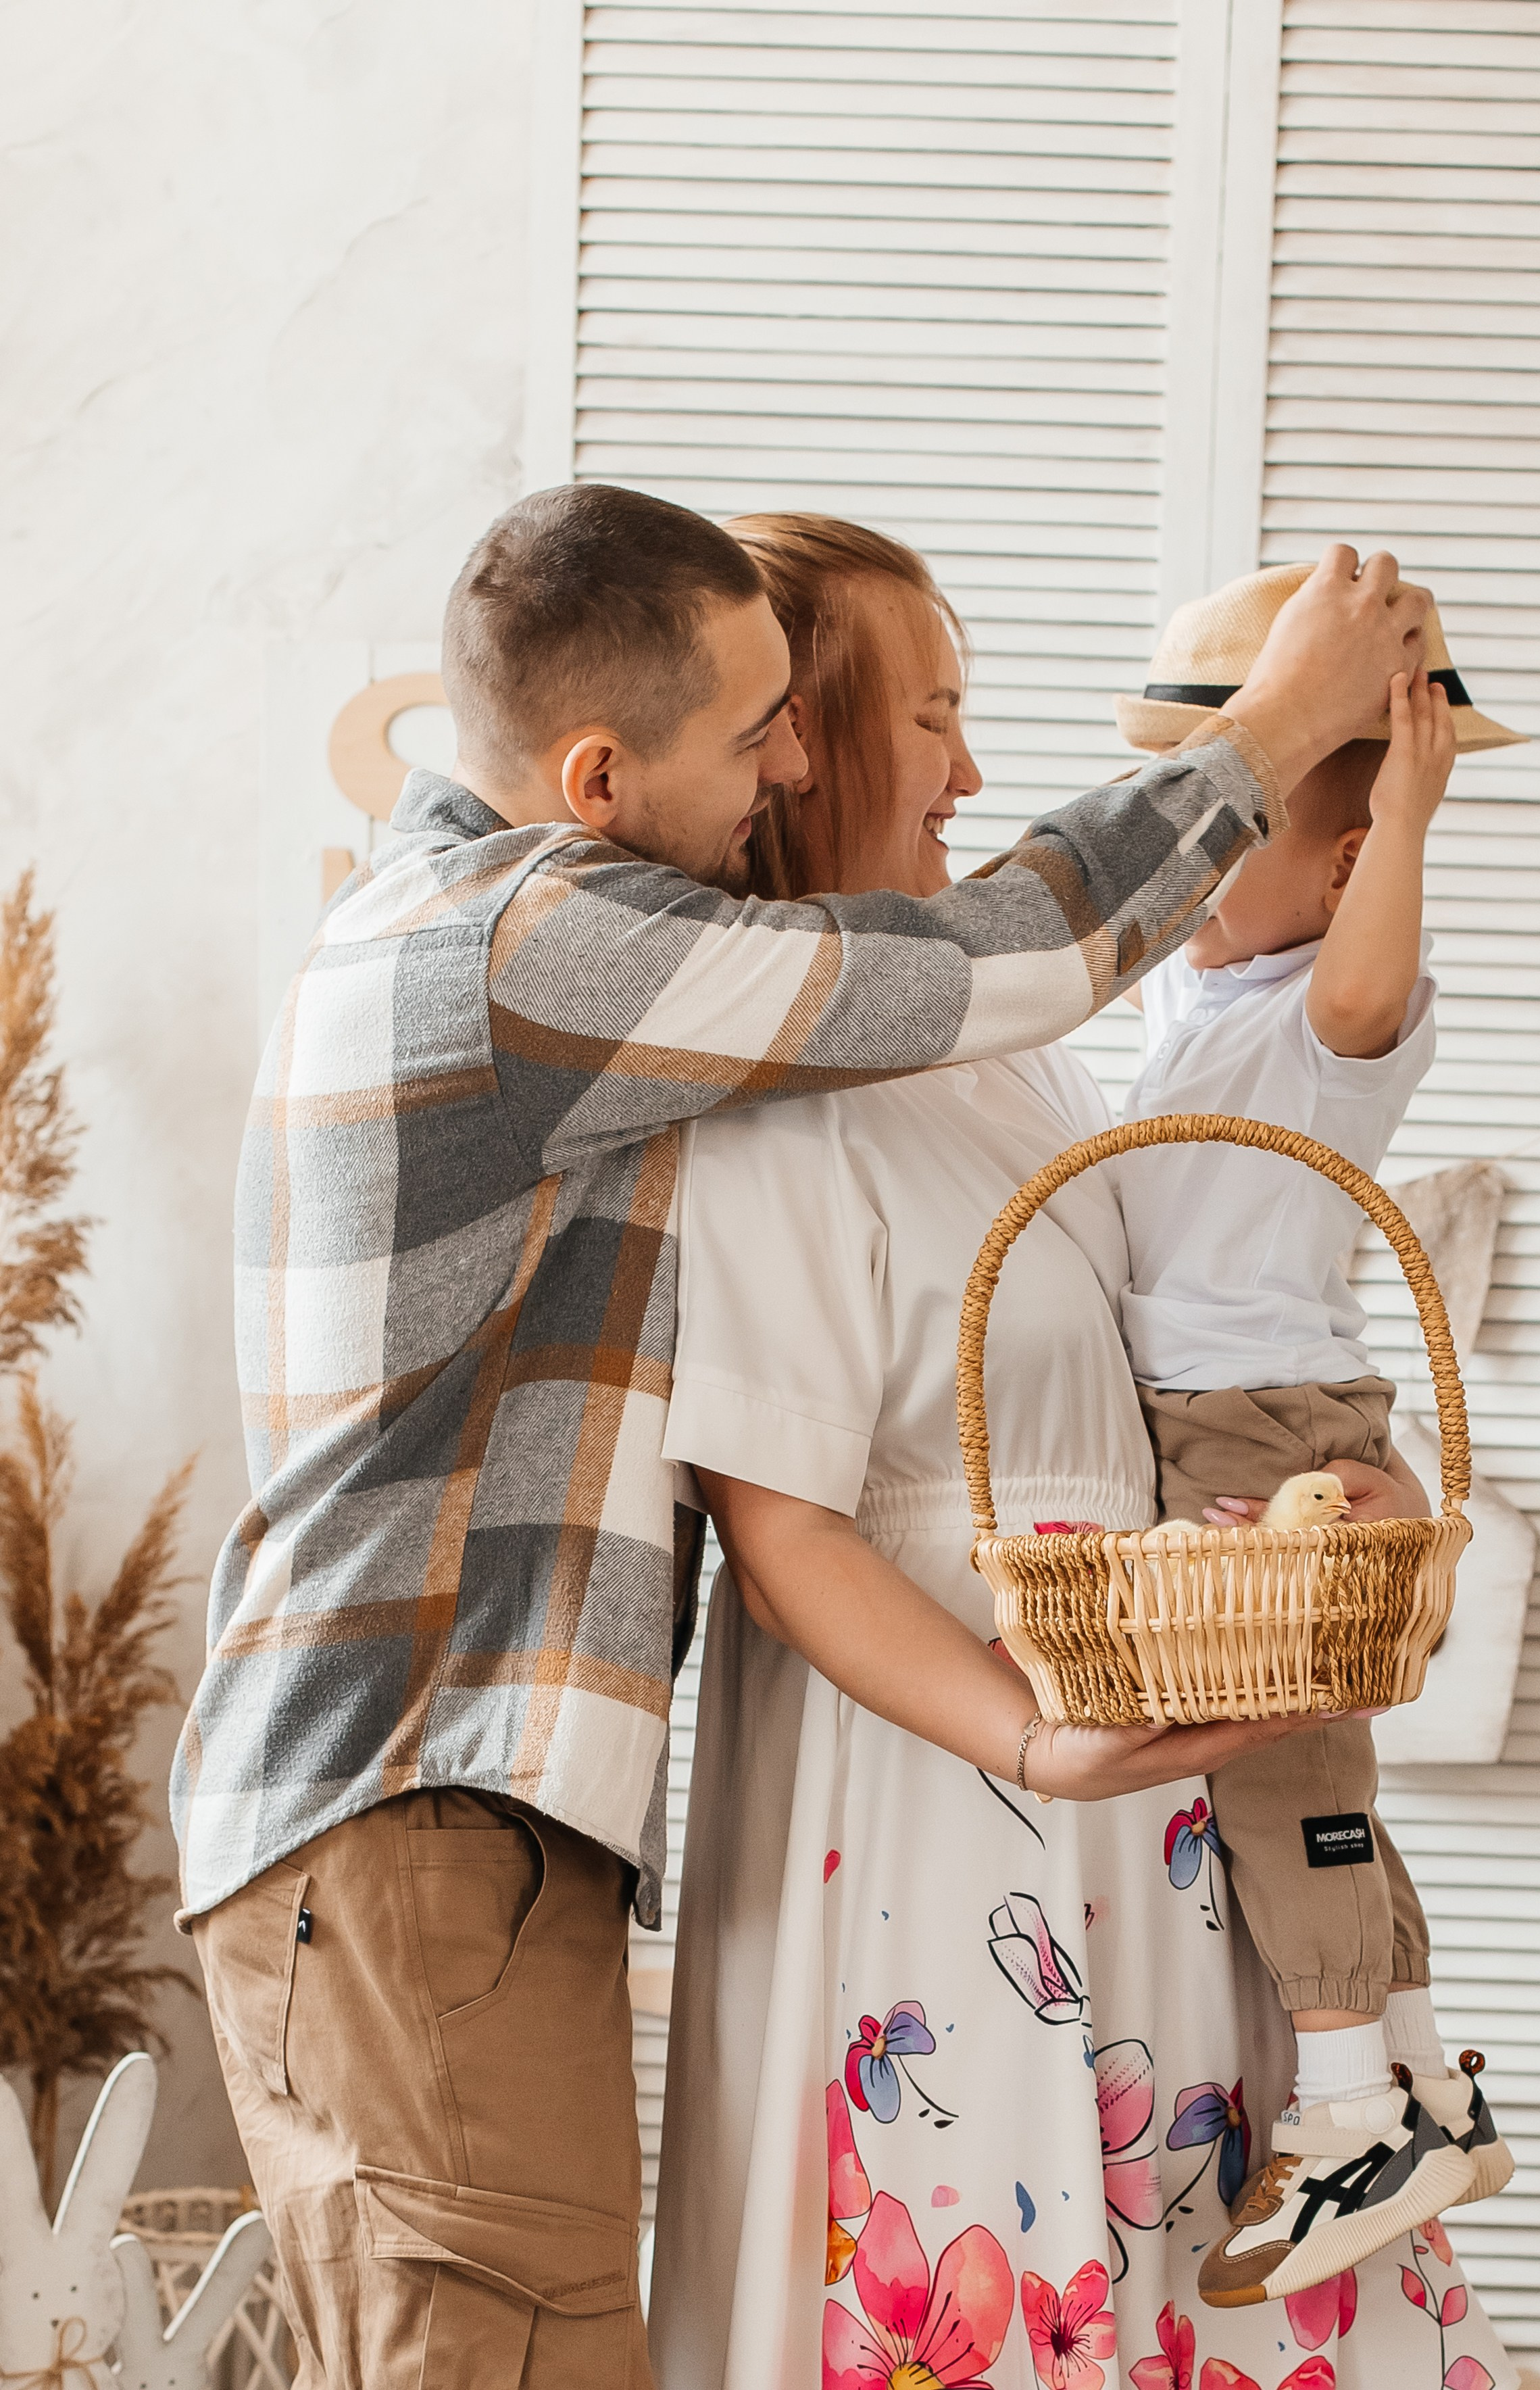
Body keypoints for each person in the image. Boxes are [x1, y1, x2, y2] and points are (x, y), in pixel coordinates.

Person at [171, 481, 1426, 2389]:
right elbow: (988, 951)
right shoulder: (523, 946)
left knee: (528, 2341)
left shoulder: (543, 968)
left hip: (463, 1816)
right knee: (492, 2352)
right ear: (596, 777)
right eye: (774, 726)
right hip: (412, 1806)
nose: (778, 769)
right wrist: (1267, 739)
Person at [648, 515, 1513, 2389]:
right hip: (934, 1786)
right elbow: (776, 1528)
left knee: (1188, 2265)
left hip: (1139, 1763)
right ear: (789, 749)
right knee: (984, 2261)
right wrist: (1036, 1741)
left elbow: (1192, 1347)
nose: (976, 773)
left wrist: (1358, 1503)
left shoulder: (1020, 1051)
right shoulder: (765, 1109)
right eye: (931, 719)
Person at [1109, 566, 1525, 2305]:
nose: (1195, 869)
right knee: (1325, 1773)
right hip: (1220, 1415)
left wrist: (1404, 818)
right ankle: (1424, 2072)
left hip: (1257, 1421)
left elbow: (1367, 992)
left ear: (1345, 867)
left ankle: (1350, 2107)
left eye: (1237, 834)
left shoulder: (1321, 1025)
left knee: (1282, 1768)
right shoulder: (1184, 1000)